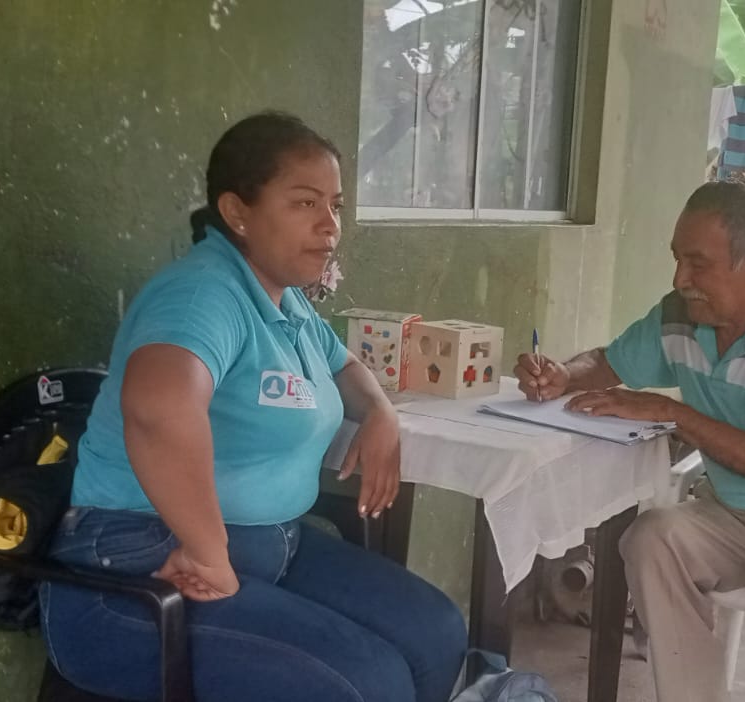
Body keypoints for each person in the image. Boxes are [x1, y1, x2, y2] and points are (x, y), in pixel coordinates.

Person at [41, 111, 466, 702]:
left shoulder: (284, 300)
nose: (330, 225)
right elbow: (157, 407)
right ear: (238, 212)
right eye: (304, 203)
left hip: (270, 542)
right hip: (141, 563)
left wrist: (379, 412)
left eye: (335, 205)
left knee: (436, 633)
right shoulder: (203, 295)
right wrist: (208, 553)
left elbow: (344, 365)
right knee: (367, 683)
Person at [515, 179, 745, 702]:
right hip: (732, 519)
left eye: (698, 263)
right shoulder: (680, 315)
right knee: (650, 541)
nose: (680, 278)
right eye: (677, 259)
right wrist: (562, 374)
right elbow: (608, 362)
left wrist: (671, 412)